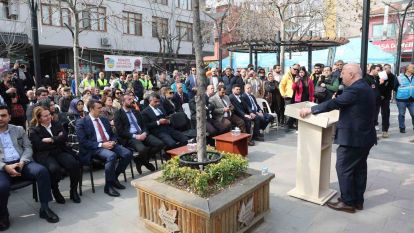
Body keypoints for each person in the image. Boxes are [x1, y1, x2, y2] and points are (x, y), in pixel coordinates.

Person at [299, 64, 377, 213]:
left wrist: (311, 109)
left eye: (343, 73)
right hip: (365, 137)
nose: (341, 76)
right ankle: (357, 201)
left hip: (353, 139)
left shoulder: (356, 89)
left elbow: (335, 103)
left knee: (343, 168)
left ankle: (348, 202)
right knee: (359, 169)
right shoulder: (364, 86)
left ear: (352, 74)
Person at [0, 106, 59, 230]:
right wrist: (5, 166)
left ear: (9, 117)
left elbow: (28, 147)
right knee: (2, 187)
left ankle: (45, 208)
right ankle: (3, 215)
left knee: (42, 171)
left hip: (22, 162)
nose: (0, 118)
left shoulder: (18, 129)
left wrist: (22, 162)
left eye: (4, 115)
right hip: (3, 166)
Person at [76, 99, 133, 197]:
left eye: (101, 107)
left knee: (127, 153)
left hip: (109, 143)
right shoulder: (82, 122)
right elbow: (83, 142)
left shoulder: (104, 119)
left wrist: (113, 141)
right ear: (91, 109)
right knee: (112, 156)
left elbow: (112, 134)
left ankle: (114, 178)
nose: (101, 110)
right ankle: (108, 186)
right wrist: (102, 145)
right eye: (98, 108)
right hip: (95, 147)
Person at [29, 106, 81, 204]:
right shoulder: (34, 130)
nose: (49, 117)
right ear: (39, 118)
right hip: (45, 155)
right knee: (54, 169)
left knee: (74, 164)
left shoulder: (56, 124)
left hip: (59, 151)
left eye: (49, 114)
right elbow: (39, 146)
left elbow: (64, 137)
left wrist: (52, 139)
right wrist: (57, 138)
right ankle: (55, 190)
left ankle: (73, 191)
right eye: (45, 116)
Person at [114, 95, 164, 174]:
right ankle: (146, 162)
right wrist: (136, 136)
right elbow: (121, 132)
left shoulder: (136, 111)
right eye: (129, 99)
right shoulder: (118, 114)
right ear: (123, 102)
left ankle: (140, 161)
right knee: (142, 149)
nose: (132, 100)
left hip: (142, 133)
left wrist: (144, 132)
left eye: (132, 99)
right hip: (130, 137)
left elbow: (143, 125)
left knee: (159, 144)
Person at [394, 63, 414, 134]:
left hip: (412, 100)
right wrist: (403, 93)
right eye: (413, 68)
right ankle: (402, 127)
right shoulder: (399, 77)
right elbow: (395, 87)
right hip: (401, 100)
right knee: (402, 114)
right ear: (407, 69)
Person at [280, 64, 299, 130]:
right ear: (291, 68)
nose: (296, 70)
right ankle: (287, 125)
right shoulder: (287, 75)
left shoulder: (298, 75)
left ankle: (291, 124)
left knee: (294, 110)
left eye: (297, 69)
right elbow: (281, 85)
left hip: (296, 95)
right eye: (294, 69)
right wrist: (283, 94)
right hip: (288, 95)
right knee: (288, 110)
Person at [378, 64, 395, 138]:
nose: (386, 70)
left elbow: (391, 87)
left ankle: (385, 130)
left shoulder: (392, 76)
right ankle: (374, 127)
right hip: (378, 96)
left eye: (388, 68)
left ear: (390, 69)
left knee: (385, 114)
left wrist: (384, 95)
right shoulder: (380, 75)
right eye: (385, 68)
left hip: (386, 97)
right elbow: (377, 86)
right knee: (374, 113)